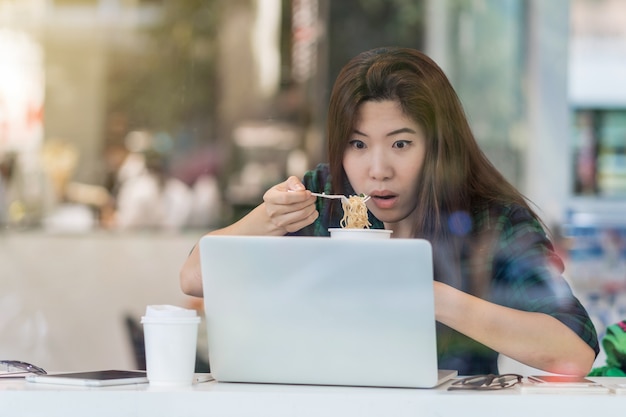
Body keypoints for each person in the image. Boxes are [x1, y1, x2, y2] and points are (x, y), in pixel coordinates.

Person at [180, 47, 599, 376]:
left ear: (438, 147)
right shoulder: (324, 197)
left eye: (401, 144)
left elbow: (573, 351)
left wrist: (427, 294)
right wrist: (266, 220)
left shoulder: (489, 219)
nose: (377, 170)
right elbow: (194, 278)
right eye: (357, 144)